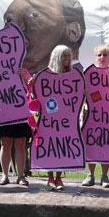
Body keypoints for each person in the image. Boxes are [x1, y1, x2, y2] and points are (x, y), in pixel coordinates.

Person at [3, 0, 86, 74]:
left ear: (72, 32)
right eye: (9, 20)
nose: (16, 28)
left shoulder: (76, 77)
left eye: (34, 15)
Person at [37, 45, 76, 190]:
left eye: (68, 56)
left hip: (66, 119)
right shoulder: (46, 74)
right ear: (57, 57)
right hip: (49, 119)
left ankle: (59, 178)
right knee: (50, 147)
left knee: (63, 147)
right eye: (64, 56)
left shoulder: (73, 75)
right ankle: (51, 178)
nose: (67, 59)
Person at [81, 46, 109, 188]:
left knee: (106, 144)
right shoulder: (87, 74)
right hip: (90, 112)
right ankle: (90, 175)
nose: (102, 57)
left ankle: (104, 176)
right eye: (99, 55)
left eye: (105, 54)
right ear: (96, 57)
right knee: (91, 143)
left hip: (108, 115)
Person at [0, 68, 32, 186]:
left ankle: (21, 176)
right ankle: (4, 175)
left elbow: (30, 90)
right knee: (5, 144)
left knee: (21, 145)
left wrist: (24, 77)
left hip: (22, 113)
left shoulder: (24, 70)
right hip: (4, 113)